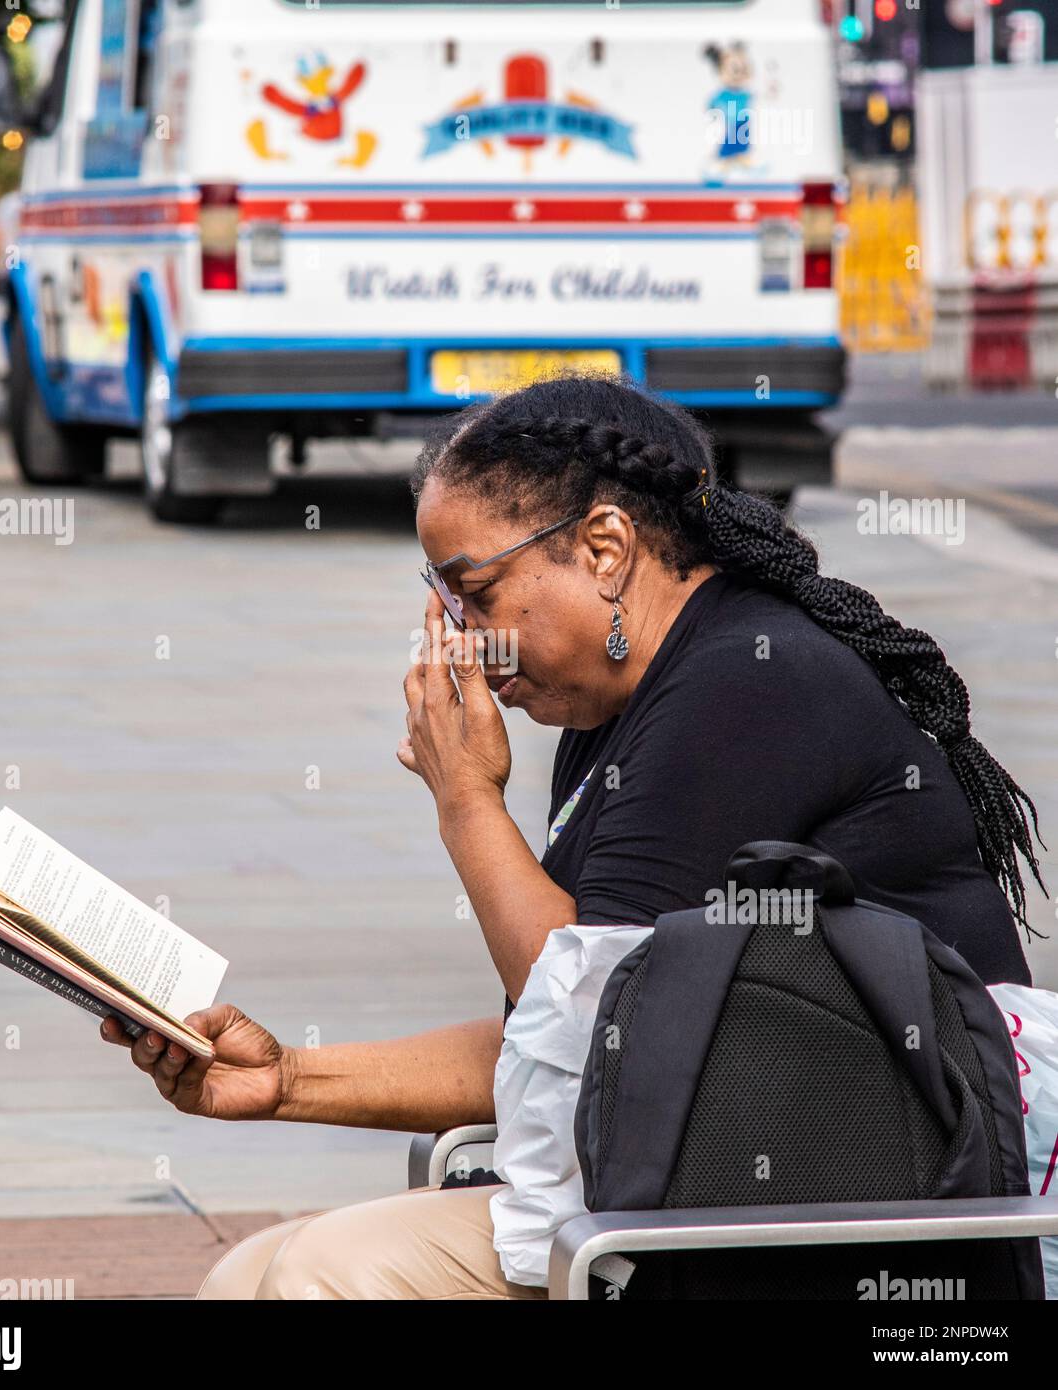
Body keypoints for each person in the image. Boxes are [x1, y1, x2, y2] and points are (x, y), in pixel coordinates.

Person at [101, 373, 1045, 1299]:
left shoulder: (749, 685)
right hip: (733, 1183)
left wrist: (467, 802)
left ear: (604, 548)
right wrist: (289, 1080)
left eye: (476, 591)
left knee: (324, 1273)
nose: (463, 638)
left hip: (871, 1213)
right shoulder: (619, 709)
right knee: (243, 1271)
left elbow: (585, 1020)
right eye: (444, 600)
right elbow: (551, 1029)